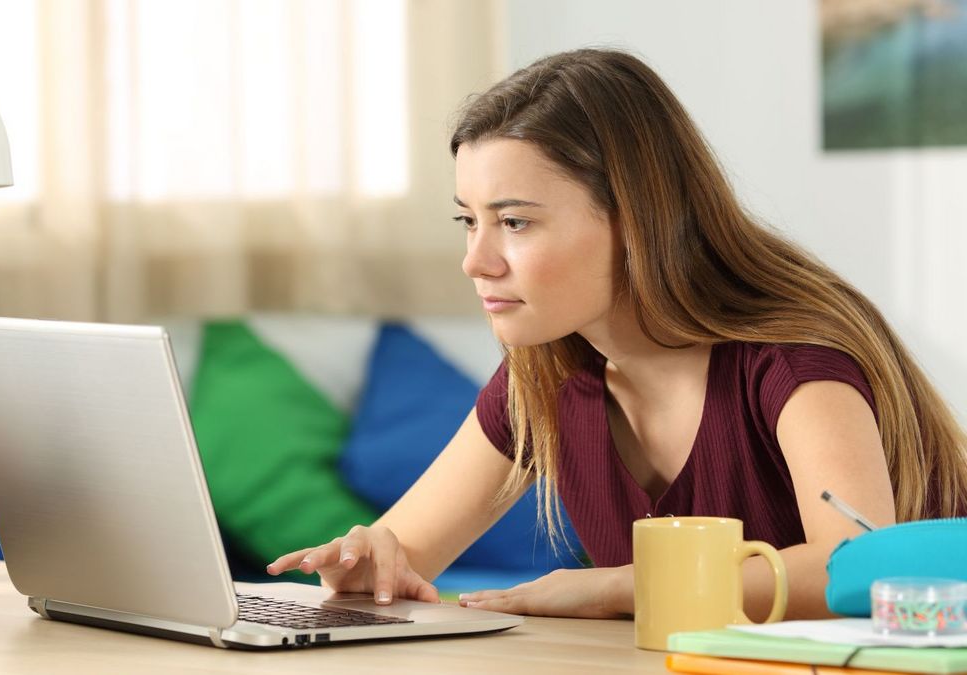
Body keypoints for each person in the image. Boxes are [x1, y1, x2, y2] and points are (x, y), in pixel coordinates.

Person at [265, 49, 967, 619]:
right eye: (468, 220)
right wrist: (365, 563)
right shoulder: (543, 374)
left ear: (633, 222)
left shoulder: (794, 359)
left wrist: (613, 586)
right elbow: (402, 552)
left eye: (514, 222)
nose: (476, 260)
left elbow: (855, 566)